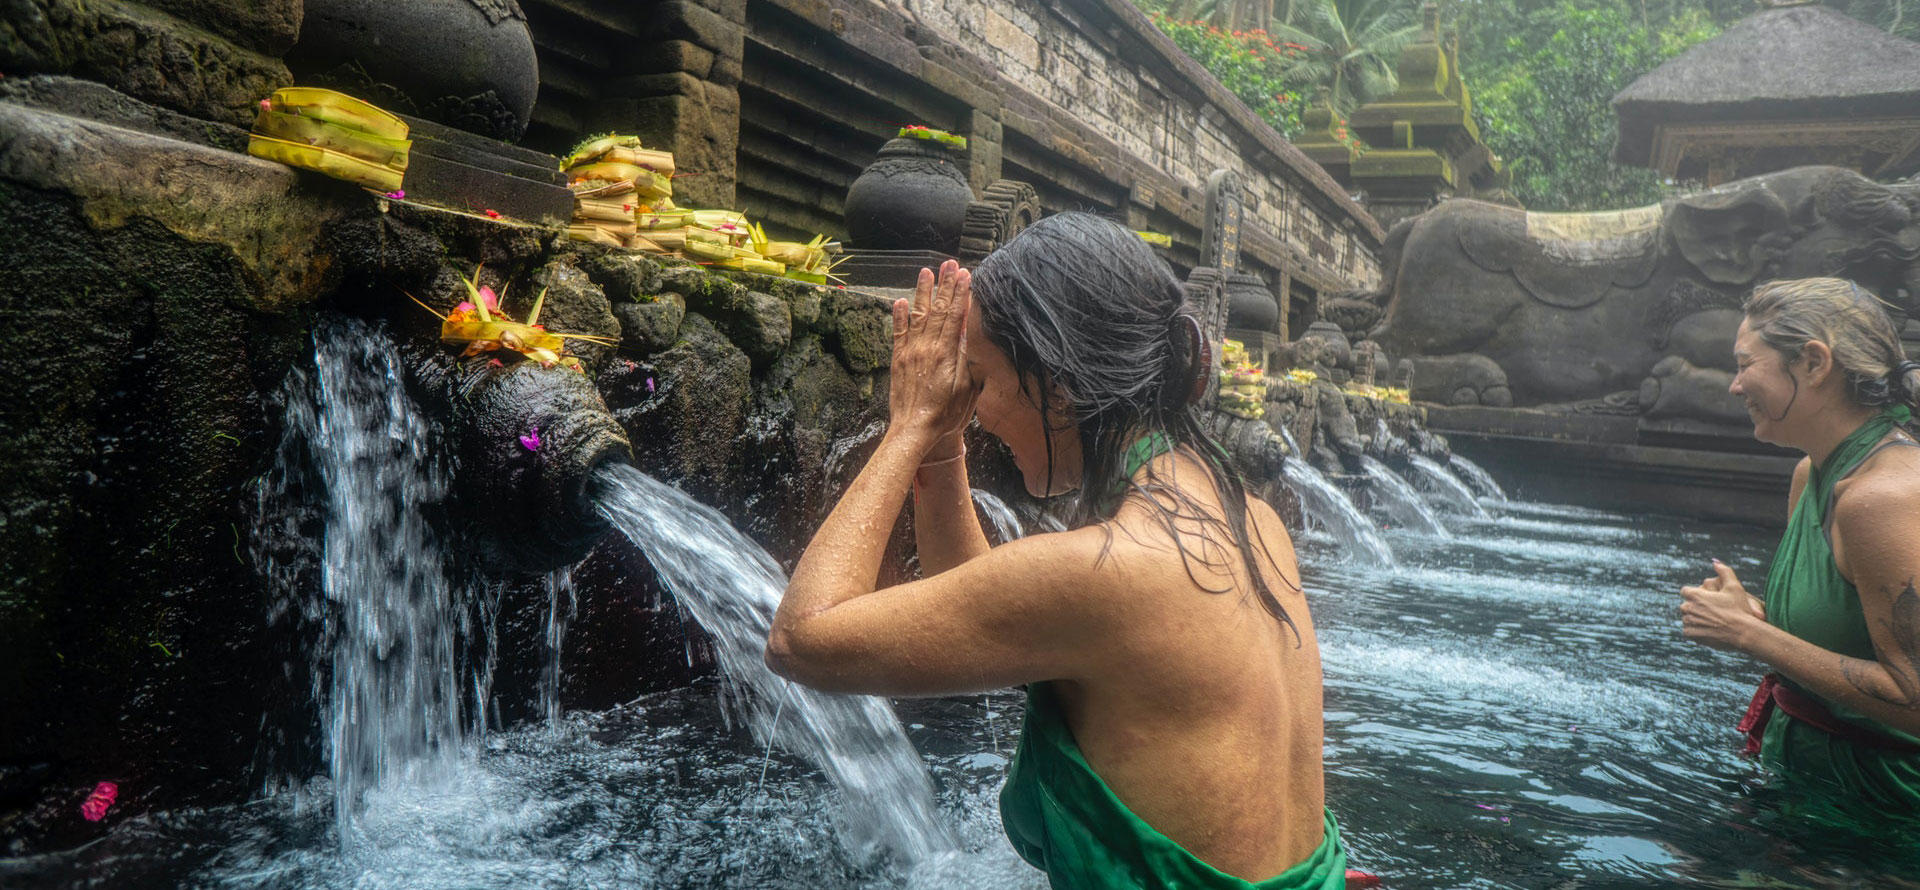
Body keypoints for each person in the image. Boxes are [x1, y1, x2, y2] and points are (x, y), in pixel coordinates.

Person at [767, 212, 1346, 888]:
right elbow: (993, 606)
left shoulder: (1114, 571)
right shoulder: (1253, 521)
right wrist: (942, 441)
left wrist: (908, 424)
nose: (974, 408)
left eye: (980, 381)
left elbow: (800, 638)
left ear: (1061, 391)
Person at [1679, 277, 1920, 810]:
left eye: (1745, 364)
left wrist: (1750, 635)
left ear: (1814, 363)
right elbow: (1846, 640)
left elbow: (1916, 694)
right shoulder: (1811, 474)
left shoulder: (1881, 498)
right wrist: (1758, 616)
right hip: (1809, 790)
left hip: (1885, 816)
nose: (1734, 387)